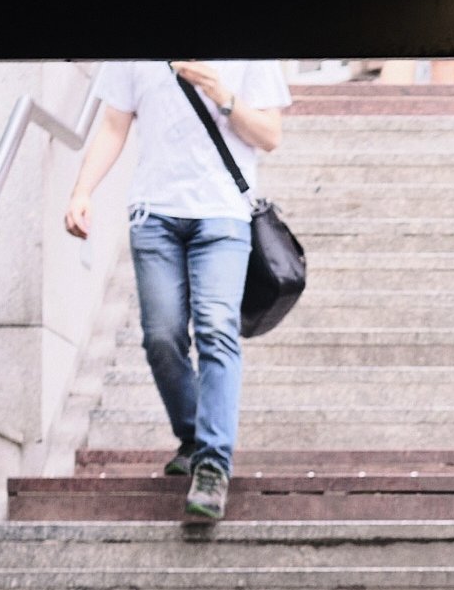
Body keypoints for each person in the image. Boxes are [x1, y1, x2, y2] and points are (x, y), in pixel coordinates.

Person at [62, 59, 293, 524]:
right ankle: (192, 435)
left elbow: (270, 134)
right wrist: (82, 190)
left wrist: (222, 95)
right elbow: (112, 126)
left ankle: (212, 463)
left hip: (223, 214)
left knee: (216, 329)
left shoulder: (253, 52)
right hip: (154, 215)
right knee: (161, 336)